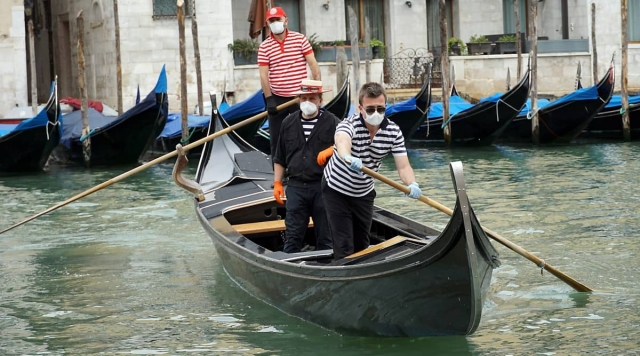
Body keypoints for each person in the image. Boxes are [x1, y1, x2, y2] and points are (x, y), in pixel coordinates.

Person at [322, 82, 423, 260]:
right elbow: (342, 140)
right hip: (336, 189)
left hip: (364, 192)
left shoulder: (393, 131)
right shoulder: (349, 124)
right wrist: (347, 157)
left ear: (386, 107)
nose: (376, 114)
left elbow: (404, 166)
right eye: (370, 109)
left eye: (380, 109)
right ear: (360, 108)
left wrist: (411, 183)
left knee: (363, 246)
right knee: (344, 245)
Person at [272, 79, 340, 253]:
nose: (308, 102)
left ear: (320, 100)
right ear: (298, 100)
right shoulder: (288, 123)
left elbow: (349, 144)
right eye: (304, 98)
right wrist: (278, 183)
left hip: (324, 187)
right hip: (295, 188)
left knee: (326, 238)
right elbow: (280, 157)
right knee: (293, 237)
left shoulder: (333, 122)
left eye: (312, 98)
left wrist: (334, 148)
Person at [257, 6, 321, 157]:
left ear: (286, 20)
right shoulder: (264, 47)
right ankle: (279, 177)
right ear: (267, 23)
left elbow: (313, 66)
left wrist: (316, 92)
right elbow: (263, 76)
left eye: (277, 19)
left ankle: (305, 170)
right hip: (277, 99)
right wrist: (269, 99)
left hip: (301, 97)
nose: (275, 23)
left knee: (304, 136)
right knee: (277, 140)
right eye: (271, 20)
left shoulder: (300, 39)